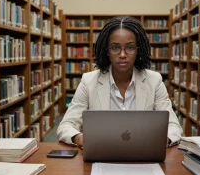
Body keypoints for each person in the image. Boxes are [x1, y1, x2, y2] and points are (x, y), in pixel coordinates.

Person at [57, 16, 183, 147]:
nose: (122, 54)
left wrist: (163, 139)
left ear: (138, 51)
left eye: (130, 47)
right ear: (107, 51)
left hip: (142, 155)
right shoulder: (89, 81)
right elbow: (66, 125)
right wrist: (80, 138)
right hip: (101, 154)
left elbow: (173, 126)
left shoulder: (154, 81)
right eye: (115, 47)